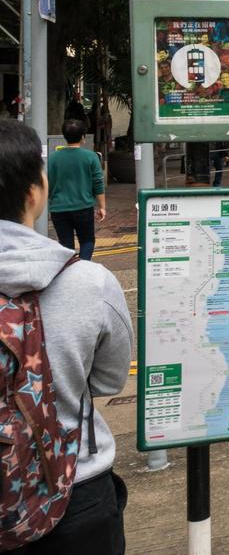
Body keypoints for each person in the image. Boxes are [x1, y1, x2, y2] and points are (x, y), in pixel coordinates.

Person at [0, 119, 133, 553]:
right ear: (35, 190)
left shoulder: (59, 164)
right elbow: (109, 380)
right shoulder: (90, 284)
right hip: (76, 485)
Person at [47, 119, 106, 262]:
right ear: (82, 137)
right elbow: (98, 182)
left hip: (58, 208)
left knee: (66, 244)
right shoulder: (91, 157)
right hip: (83, 207)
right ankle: (83, 268)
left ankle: (70, 271)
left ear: (64, 136)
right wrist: (102, 207)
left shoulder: (53, 158)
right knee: (87, 241)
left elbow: (48, 182)